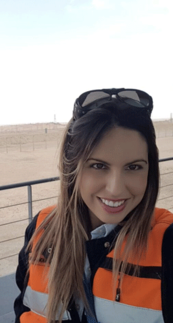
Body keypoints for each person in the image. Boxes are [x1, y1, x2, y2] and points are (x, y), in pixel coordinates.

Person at [14, 88, 173, 323]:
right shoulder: (40, 230)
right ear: (71, 168)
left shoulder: (167, 245)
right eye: (98, 166)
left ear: (150, 171)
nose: (116, 189)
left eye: (133, 167)